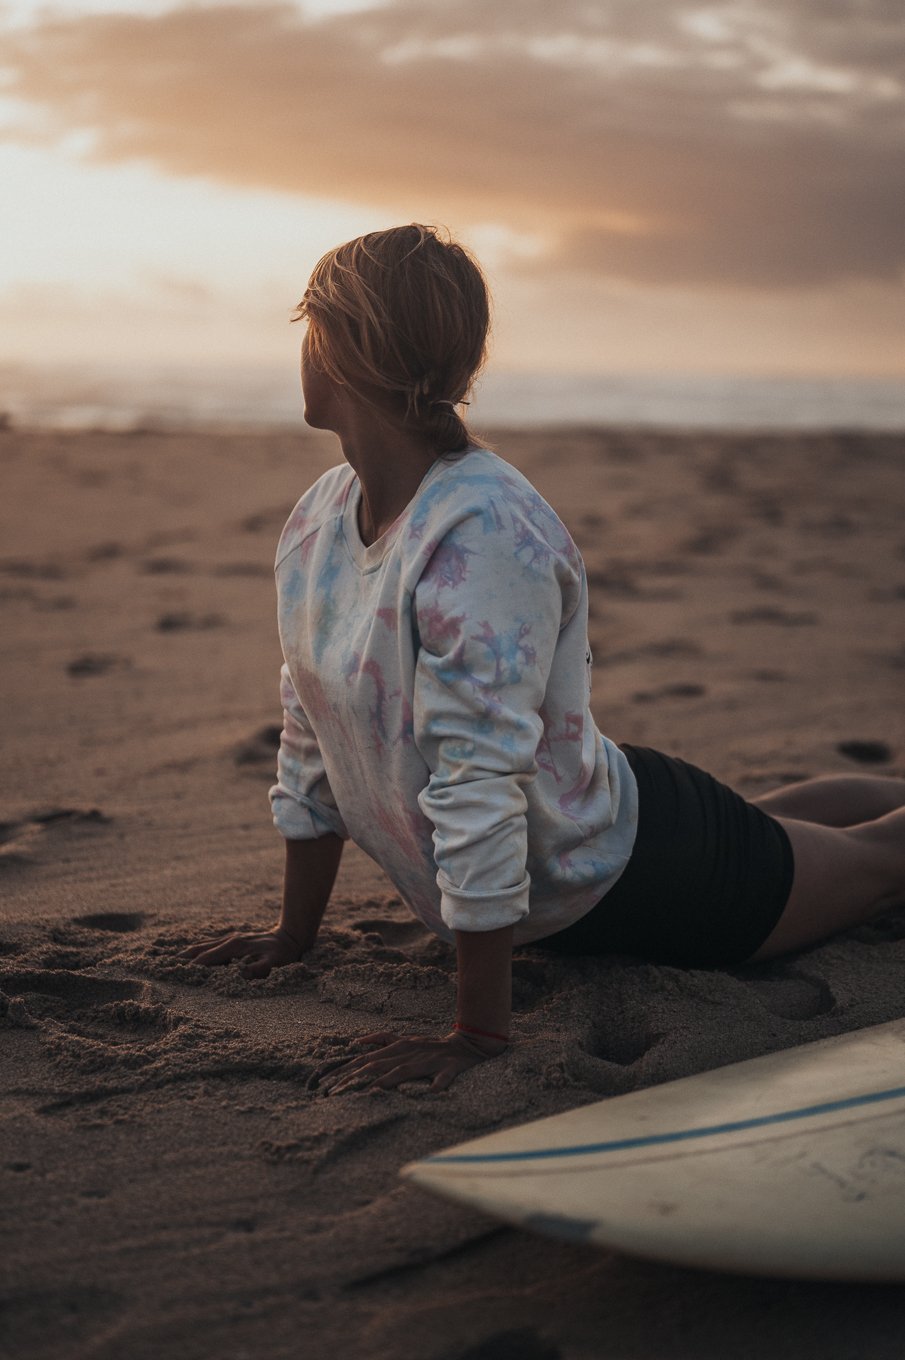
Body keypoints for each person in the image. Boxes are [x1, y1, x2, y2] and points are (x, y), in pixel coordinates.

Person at [181, 224, 905, 1094]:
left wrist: (477, 1034)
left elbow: (478, 783)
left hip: (645, 875)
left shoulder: (481, 533)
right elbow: (311, 737)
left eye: (310, 325)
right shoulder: (319, 521)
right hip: (587, 829)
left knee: (875, 867)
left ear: (339, 345)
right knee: (793, 831)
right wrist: (291, 937)